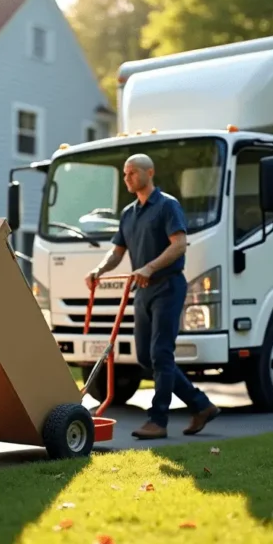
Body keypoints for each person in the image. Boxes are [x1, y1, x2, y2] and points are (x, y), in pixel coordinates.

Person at [85, 153, 220, 440]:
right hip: (143, 291)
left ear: (150, 172)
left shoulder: (168, 206)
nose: (127, 178)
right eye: (125, 174)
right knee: (146, 357)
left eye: (132, 173)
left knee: (161, 353)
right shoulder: (128, 213)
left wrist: (149, 266)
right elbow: (117, 251)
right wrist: (98, 269)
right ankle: (201, 405)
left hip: (168, 286)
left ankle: (157, 420)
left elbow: (179, 245)